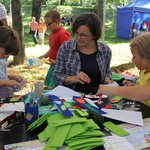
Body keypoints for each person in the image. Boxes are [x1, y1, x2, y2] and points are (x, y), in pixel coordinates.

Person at [53, 12, 113, 94]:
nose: (78, 38)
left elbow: (107, 71)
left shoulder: (105, 50)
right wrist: (73, 79)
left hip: (96, 97)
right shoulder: (66, 48)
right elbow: (56, 76)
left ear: (94, 35)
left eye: (83, 35)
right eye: (76, 33)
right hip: (70, 98)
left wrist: (107, 79)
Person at [96, 32, 150, 117]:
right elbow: (143, 88)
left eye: (134, 57)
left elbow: (147, 93)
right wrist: (134, 87)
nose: (132, 60)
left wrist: (111, 90)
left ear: (146, 57)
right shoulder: (144, 71)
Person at [39, 10, 70, 88]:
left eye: (48, 24)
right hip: (53, 66)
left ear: (56, 22)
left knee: (55, 89)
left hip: (60, 68)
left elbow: (69, 53)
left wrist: (57, 63)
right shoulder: (52, 33)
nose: (47, 26)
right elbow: (53, 48)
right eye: (45, 24)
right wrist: (43, 56)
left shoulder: (62, 34)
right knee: (50, 88)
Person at [0, 27, 26, 98]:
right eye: (5, 53)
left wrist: (12, 77)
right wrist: (7, 82)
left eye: (9, 54)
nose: (7, 57)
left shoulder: (2, 60)